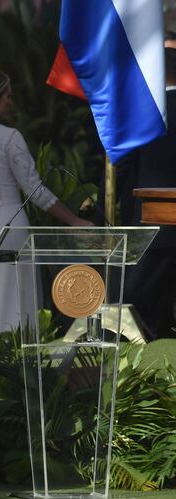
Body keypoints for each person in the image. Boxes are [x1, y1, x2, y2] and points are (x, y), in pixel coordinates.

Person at [0, 70, 92, 337]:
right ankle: (15, 368)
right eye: (7, 96)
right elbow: (35, 191)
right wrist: (74, 220)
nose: (11, 102)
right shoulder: (9, 137)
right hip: (10, 228)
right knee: (11, 303)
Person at [110, 48, 176, 338]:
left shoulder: (144, 112)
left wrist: (112, 203)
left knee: (136, 296)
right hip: (157, 218)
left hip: (151, 220)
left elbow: (123, 165)